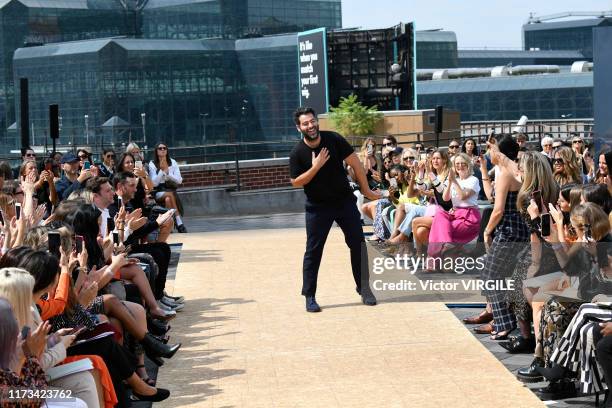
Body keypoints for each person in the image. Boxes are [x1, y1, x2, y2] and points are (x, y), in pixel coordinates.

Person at [289, 107, 380, 312]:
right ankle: (309, 295)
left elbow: (355, 163)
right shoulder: (297, 153)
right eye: (306, 123)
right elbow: (296, 182)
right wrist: (316, 166)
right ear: (299, 127)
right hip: (317, 208)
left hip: (344, 202)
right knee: (313, 251)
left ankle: (364, 287)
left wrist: (366, 190)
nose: (311, 125)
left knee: (358, 243)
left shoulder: (334, 139)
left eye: (313, 121)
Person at [148, 142, 187, 233]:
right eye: (160, 148)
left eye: (164, 148)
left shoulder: (172, 162)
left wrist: (168, 174)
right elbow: (154, 183)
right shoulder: (152, 164)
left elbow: (179, 180)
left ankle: (168, 224)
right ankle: (179, 222)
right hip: (158, 191)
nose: (162, 150)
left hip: (170, 189)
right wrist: (162, 171)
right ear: (156, 151)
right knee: (169, 195)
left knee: (168, 199)